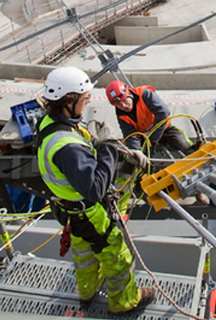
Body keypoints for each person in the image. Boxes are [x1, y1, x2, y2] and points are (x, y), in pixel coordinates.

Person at [36, 67, 155, 314]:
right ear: (68, 100)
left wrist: (100, 145)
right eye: (85, 98)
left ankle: (88, 292)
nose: (88, 102)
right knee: (117, 254)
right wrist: (110, 147)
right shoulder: (68, 149)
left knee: (83, 254)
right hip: (88, 212)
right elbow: (95, 188)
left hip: (69, 210)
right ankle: (124, 302)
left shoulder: (51, 123)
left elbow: (79, 143)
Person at [106, 81, 190, 155]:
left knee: (182, 143)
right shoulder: (121, 114)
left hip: (163, 129)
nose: (124, 106)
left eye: (124, 100)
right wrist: (138, 153)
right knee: (134, 160)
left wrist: (153, 139)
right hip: (144, 138)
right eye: (119, 104)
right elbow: (130, 136)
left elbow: (163, 113)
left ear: (128, 93)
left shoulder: (144, 94)